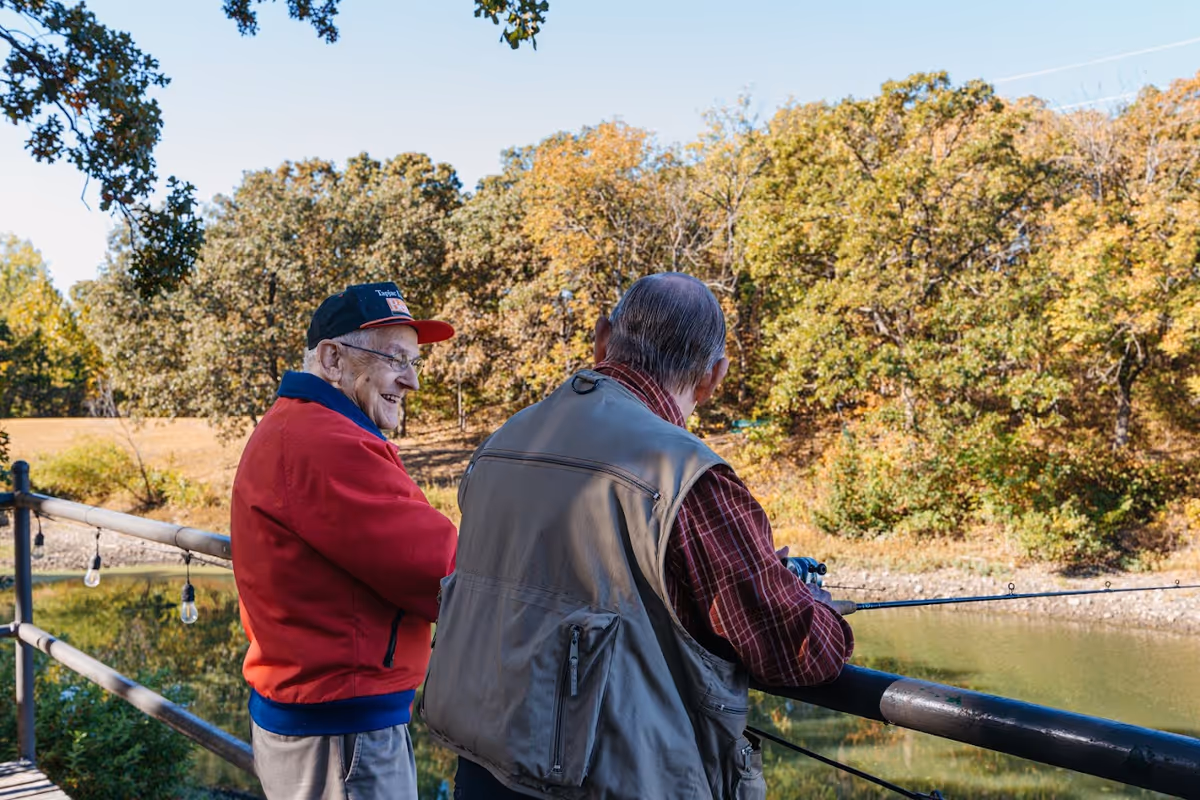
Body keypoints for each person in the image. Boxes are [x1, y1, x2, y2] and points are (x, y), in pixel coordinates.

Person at [422, 273, 855, 800]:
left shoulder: (501, 445)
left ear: (603, 339)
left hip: (482, 773)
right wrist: (812, 601)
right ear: (712, 378)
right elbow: (797, 648)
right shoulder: (685, 474)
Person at [232, 281, 459, 800]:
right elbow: (445, 571)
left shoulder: (299, 425)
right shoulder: (327, 442)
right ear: (333, 359)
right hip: (341, 733)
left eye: (415, 362)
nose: (412, 381)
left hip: (319, 716)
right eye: (396, 360)